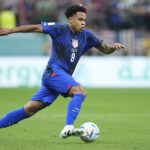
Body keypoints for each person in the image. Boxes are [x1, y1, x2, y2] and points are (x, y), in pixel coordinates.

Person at [0, 4, 125, 138]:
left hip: (58, 77)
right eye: (80, 19)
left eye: (84, 20)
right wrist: (12, 30)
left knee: (29, 110)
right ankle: (68, 127)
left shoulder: (87, 36)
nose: (83, 23)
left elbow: (105, 49)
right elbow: (35, 27)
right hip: (53, 72)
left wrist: (112, 48)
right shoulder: (59, 29)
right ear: (70, 19)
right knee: (80, 92)